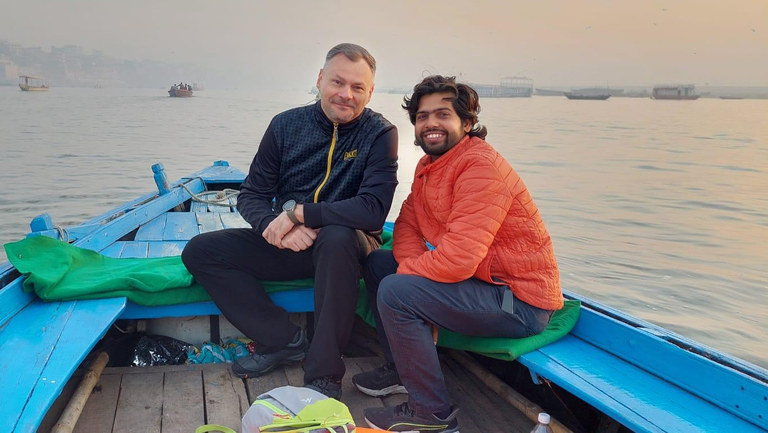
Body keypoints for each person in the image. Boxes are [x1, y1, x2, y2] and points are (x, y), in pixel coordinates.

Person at [182, 43, 398, 399]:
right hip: (289, 244)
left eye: (358, 88)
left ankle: (324, 374)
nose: (346, 94)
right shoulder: (286, 125)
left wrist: (299, 214)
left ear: (370, 92)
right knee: (201, 251)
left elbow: (372, 209)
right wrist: (274, 227)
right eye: (337, 82)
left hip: (348, 249)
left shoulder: (380, 134)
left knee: (338, 235)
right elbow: (250, 194)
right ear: (320, 79)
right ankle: (283, 340)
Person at [354, 75, 563, 432]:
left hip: (518, 301)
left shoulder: (479, 167)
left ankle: (430, 414)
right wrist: (410, 272)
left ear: (466, 123)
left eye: (442, 115)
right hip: (480, 281)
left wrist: (409, 282)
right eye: (422, 116)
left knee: (396, 290)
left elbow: (458, 259)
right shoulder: (429, 167)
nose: (430, 123)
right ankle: (403, 370)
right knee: (378, 264)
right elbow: (407, 227)